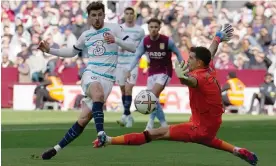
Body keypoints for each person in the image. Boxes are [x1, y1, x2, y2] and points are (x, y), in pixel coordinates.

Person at [93, 24, 258, 166]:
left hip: (198, 127)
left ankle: (108, 140)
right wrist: (217, 37)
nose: (188, 60)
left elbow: (191, 82)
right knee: (208, 139)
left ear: (199, 63)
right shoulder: (209, 68)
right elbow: (210, 52)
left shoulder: (198, 77)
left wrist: (181, 77)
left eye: (191, 58)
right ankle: (237, 150)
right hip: (209, 124)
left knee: (154, 134)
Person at [37, 2, 136, 160]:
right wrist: (50, 50)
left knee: (83, 120)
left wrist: (116, 40)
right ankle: (101, 134)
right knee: (97, 93)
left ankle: (56, 149)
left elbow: (132, 46)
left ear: (104, 15)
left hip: (108, 80)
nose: (97, 18)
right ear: (89, 18)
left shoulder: (115, 28)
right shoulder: (86, 35)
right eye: (93, 15)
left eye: (99, 15)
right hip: (91, 73)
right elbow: (71, 52)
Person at [126, 18, 183, 130]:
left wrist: (183, 66)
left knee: (151, 97)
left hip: (165, 72)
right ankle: (163, 124)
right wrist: (129, 69)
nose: (153, 29)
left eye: (155, 27)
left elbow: (177, 52)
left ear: (159, 28)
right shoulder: (145, 41)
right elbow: (137, 56)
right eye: (151, 27)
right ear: (148, 28)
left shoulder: (167, 41)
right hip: (152, 73)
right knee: (153, 99)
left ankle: (150, 123)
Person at [116, 7, 145, 128]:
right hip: (120, 63)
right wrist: (120, 47)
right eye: (126, 13)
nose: (128, 15)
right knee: (123, 89)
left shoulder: (140, 30)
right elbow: (114, 44)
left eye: (131, 14)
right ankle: (128, 116)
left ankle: (124, 114)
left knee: (128, 89)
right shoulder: (119, 28)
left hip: (132, 64)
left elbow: (143, 46)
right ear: (124, 15)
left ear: (134, 15)